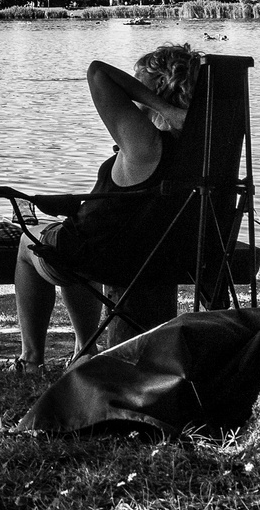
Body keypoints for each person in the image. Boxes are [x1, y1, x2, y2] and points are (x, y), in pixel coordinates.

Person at [12, 43, 202, 373]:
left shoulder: (146, 143)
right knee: (70, 235)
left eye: (139, 84)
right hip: (164, 252)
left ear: (153, 89)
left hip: (109, 254)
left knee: (30, 244)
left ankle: (33, 359)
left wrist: (162, 110)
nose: (133, 93)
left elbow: (98, 72)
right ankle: (83, 351)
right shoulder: (200, 144)